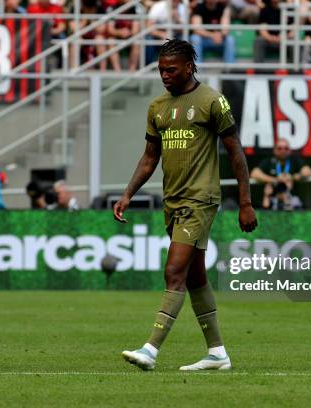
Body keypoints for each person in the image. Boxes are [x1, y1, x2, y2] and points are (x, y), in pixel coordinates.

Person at [114, 39, 257, 371]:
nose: (165, 75)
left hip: (200, 199)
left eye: (171, 69)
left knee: (173, 271)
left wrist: (246, 202)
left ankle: (150, 349)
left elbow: (235, 151)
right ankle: (217, 353)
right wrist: (127, 194)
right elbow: (150, 158)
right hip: (173, 201)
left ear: (189, 67)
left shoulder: (211, 101)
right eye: (161, 69)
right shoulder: (158, 107)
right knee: (194, 277)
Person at [250, 138, 311, 208]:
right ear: (274, 150)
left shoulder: (294, 160)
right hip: (272, 199)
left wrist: (292, 177)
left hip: (291, 199)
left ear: (290, 151)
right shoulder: (269, 161)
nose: (283, 151)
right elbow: (254, 173)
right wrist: (276, 180)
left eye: (286, 148)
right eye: (279, 148)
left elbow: (308, 172)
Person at [145, 0, 189, 64]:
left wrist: (177, 19)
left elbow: (185, 31)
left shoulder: (183, 8)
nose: (176, 1)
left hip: (176, 35)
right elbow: (148, 27)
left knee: (184, 39)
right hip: (157, 34)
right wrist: (161, 34)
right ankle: (148, 64)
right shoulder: (158, 6)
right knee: (148, 38)